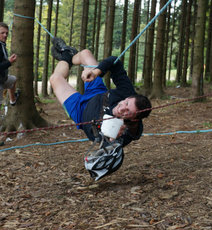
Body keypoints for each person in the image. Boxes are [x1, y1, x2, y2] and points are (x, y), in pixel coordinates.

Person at [49, 38, 152, 180]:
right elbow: (115, 62)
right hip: (97, 92)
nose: (122, 107)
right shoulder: (128, 92)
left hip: (81, 111)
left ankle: (65, 57)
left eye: (127, 112)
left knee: (55, 79)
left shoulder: (123, 131)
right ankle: (69, 54)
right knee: (85, 54)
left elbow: (113, 147)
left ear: (134, 119)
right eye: (126, 103)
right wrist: (97, 72)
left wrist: (112, 139)